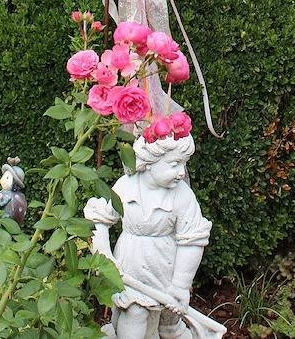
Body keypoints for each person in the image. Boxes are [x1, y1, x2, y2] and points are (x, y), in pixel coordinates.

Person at [84, 134, 219, 339]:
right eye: (174, 164)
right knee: (133, 312)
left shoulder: (182, 195)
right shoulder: (126, 186)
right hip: (129, 266)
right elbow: (99, 218)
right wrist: (104, 254)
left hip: (164, 269)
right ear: (149, 162)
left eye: (184, 164)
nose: (182, 172)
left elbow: (192, 241)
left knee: (165, 323)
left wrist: (181, 285)